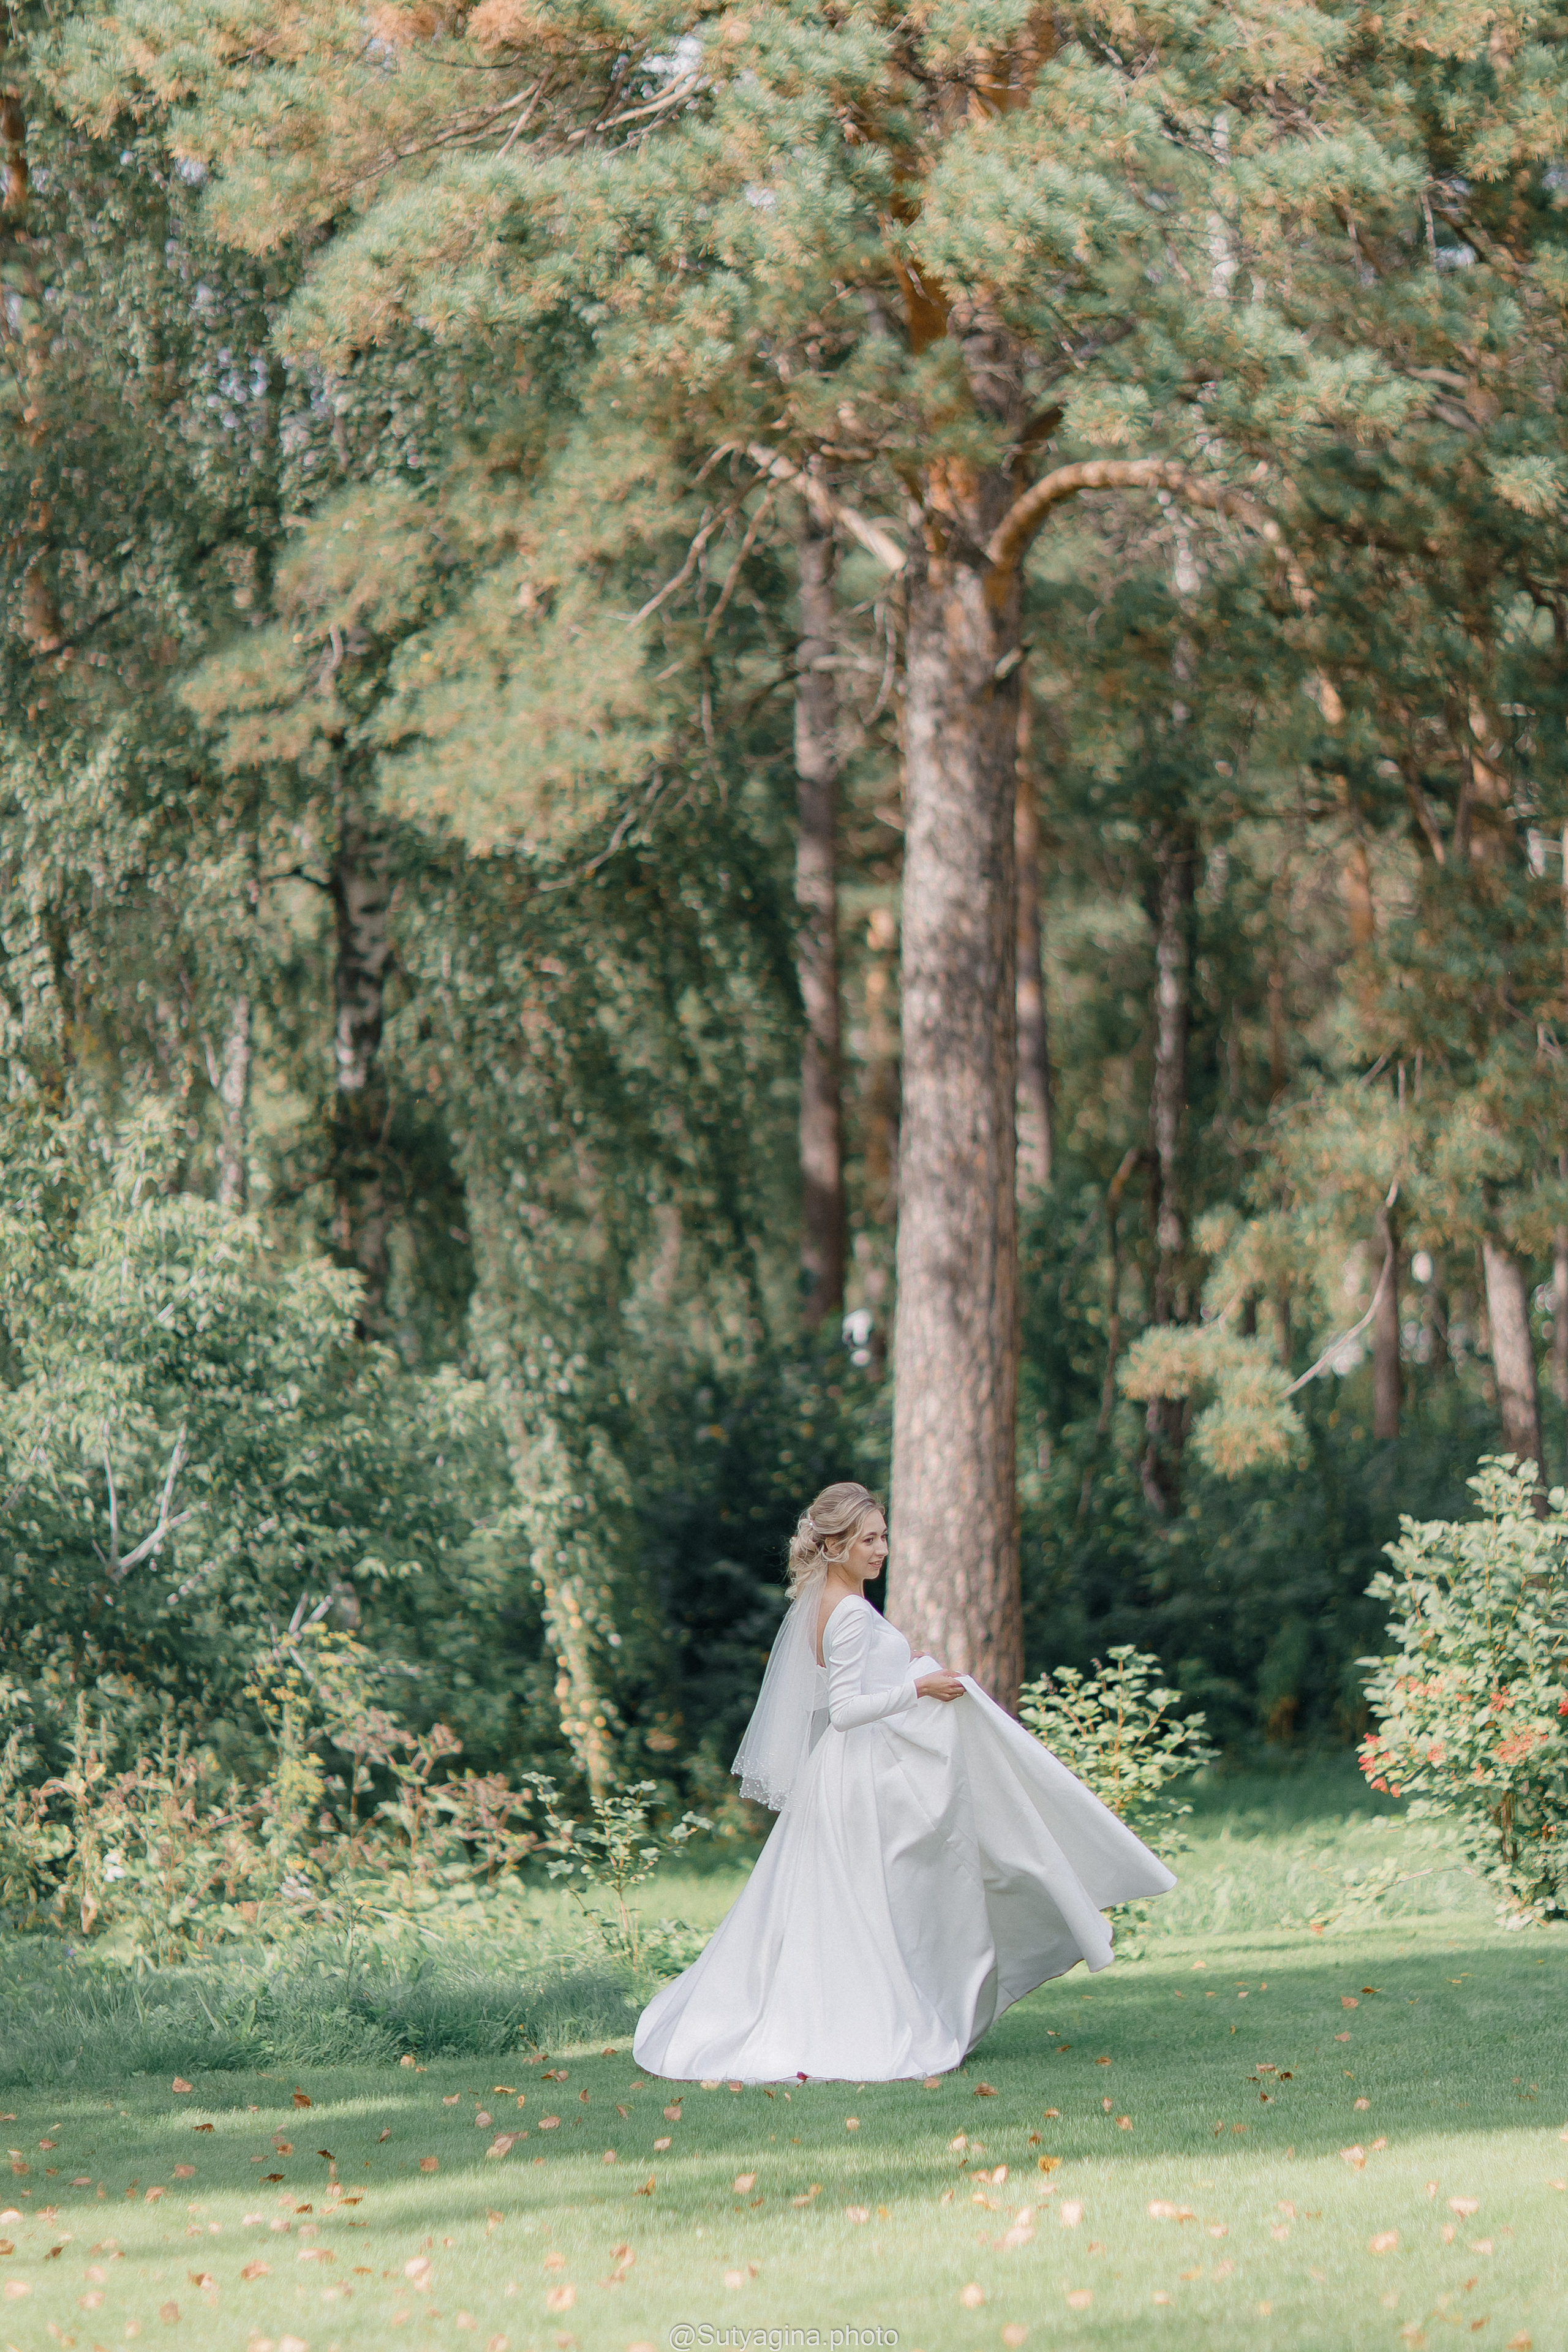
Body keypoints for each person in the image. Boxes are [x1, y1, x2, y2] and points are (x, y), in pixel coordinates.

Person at [631, 1480, 1177, 2084]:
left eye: (883, 1536)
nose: (881, 1549)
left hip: (850, 1773)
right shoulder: (847, 1616)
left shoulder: (828, 1606)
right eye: (869, 1539)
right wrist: (920, 1687)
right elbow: (845, 1711)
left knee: (856, 1903)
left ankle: (902, 1999)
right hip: (863, 1777)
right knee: (881, 1899)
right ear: (835, 1547)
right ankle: (877, 2018)